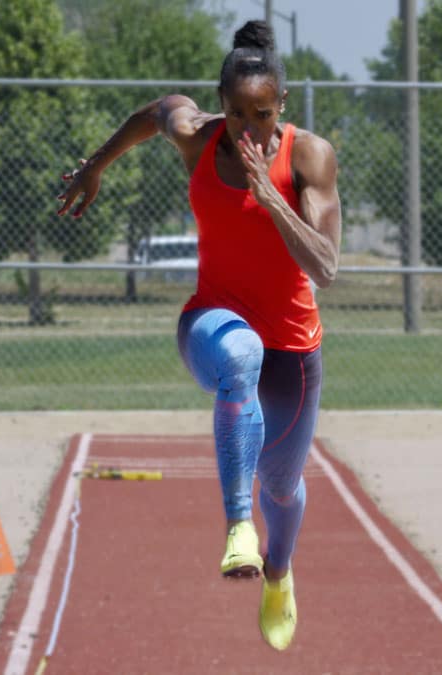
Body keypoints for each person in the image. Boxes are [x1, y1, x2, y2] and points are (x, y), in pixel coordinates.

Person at [56, 20, 341, 651]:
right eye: (236, 112)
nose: (247, 128)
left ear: (281, 108)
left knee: (283, 486)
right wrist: (96, 166)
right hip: (213, 321)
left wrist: (270, 194)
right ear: (219, 103)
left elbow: (325, 264)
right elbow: (157, 112)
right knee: (240, 355)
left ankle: (279, 571)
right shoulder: (199, 138)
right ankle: (238, 528)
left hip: (293, 350)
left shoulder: (310, 156)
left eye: (261, 114)